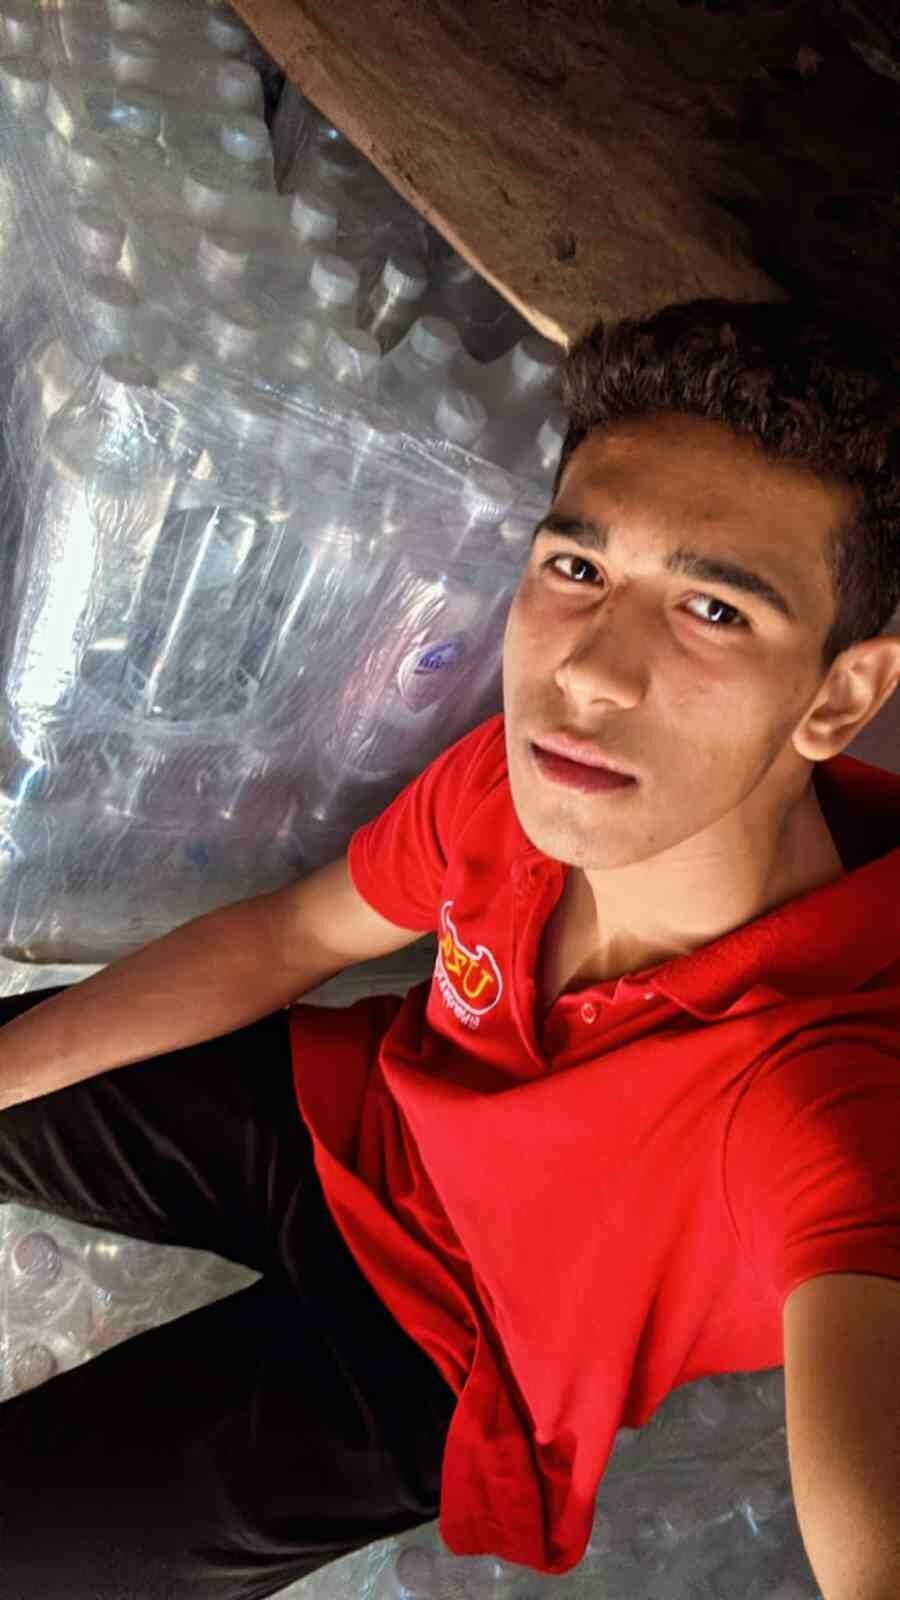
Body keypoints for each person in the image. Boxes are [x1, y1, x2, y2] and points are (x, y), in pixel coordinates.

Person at [0, 297, 899, 1600]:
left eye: (712, 610)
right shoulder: (523, 792)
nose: (590, 675)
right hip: (352, 1128)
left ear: (842, 693)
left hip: (459, 1361)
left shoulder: (823, 1093)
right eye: (579, 571)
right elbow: (288, 934)